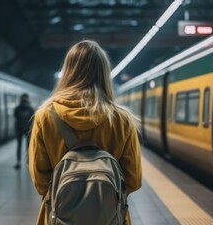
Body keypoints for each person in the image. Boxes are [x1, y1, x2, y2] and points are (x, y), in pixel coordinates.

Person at [28, 40, 142, 225]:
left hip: (57, 218)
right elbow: (133, 180)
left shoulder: (45, 116)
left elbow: (41, 181)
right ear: (104, 73)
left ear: (68, 72)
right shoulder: (121, 119)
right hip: (110, 219)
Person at [14, 93, 35, 169]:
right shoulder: (30, 108)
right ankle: (28, 162)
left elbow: (15, 116)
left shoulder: (17, 108)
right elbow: (32, 119)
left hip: (19, 129)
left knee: (19, 146)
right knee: (28, 146)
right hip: (27, 129)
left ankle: (18, 162)